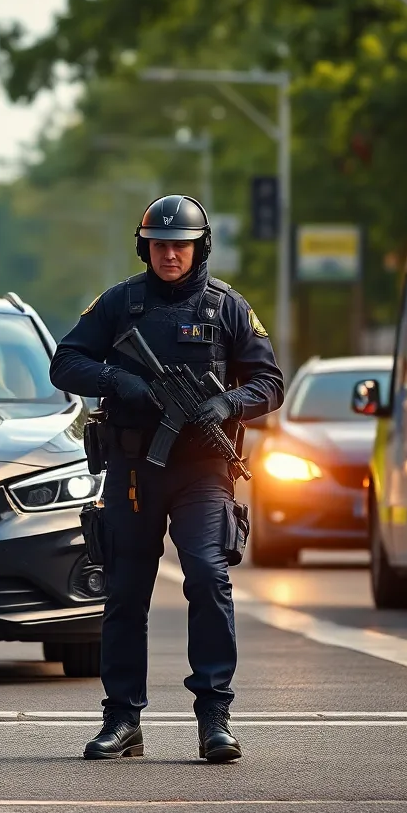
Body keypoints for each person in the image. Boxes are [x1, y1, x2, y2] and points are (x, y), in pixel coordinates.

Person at [50, 195, 284, 763]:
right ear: (145, 248)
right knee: (126, 591)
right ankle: (123, 720)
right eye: (160, 246)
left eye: (180, 246)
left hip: (203, 468)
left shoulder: (227, 307)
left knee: (207, 574)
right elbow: (65, 361)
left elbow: (270, 382)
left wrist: (228, 403)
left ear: (199, 248)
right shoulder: (120, 304)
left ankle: (215, 718)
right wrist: (119, 381)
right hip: (134, 467)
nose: (170, 255)